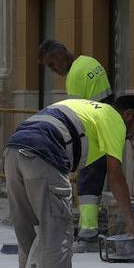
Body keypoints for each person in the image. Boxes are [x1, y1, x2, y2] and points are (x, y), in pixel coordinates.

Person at [4, 95, 134, 268]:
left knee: (29, 238)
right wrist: (131, 219)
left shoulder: (88, 109)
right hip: (43, 153)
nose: (132, 137)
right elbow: (115, 175)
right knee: (57, 237)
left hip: (13, 152)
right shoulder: (113, 119)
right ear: (128, 115)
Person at [38, 40, 114, 251]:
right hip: (106, 128)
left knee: (88, 185)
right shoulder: (90, 62)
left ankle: (88, 235)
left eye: (53, 65)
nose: (54, 70)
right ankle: (88, 230)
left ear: (62, 53)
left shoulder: (75, 77)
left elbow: (76, 116)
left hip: (94, 136)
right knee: (96, 181)